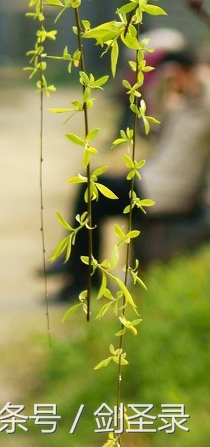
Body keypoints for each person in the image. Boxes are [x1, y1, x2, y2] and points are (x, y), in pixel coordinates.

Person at [54, 47, 210, 302]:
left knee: (92, 191)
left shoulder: (203, 109)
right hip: (150, 183)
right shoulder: (184, 109)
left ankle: (80, 279)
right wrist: (163, 85)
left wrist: (198, 76)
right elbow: (149, 125)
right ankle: (78, 270)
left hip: (163, 194)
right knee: (90, 184)